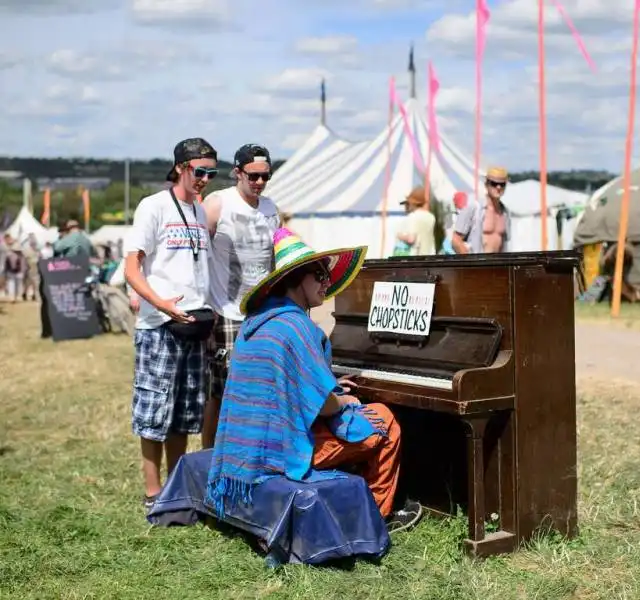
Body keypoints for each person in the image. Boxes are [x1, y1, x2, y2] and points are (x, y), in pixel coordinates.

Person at [206, 228, 423, 533]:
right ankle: (375, 517)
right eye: (320, 275)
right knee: (385, 421)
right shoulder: (297, 326)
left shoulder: (256, 322)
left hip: (245, 446)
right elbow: (323, 405)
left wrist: (329, 385)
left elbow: (288, 385)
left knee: (352, 418)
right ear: (296, 279)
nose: (327, 282)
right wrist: (343, 399)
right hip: (279, 451)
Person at [123, 137, 219, 508]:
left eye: (212, 172)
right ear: (180, 167)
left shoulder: (198, 211)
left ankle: (176, 490)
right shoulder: (154, 207)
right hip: (160, 325)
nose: (205, 179)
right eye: (200, 171)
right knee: (154, 411)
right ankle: (152, 493)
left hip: (194, 323)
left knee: (184, 411)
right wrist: (161, 304)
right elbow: (132, 268)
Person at [201, 143, 281, 448]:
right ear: (237, 172)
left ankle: (246, 452)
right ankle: (209, 456)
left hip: (262, 313)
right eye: (254, 176)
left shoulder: (272, 209)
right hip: (226, 312)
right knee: (221, 392)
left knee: (258, 389)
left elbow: (277, 258)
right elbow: (196, 250)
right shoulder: (218, 203)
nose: (260, 182)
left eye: (266, 176)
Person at [452, 167, 511, 254]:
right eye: (494, 183)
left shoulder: (505, 213)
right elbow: (456, 241)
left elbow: (504, 244)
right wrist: (471, 263)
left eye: (502, 184)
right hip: (477, 265)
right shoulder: (474, 208)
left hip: (498, 266)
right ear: (486, 184)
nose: (498, 187)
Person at [394, 187, 436, 256]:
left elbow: (411, 239)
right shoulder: (431, 217)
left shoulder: (413, 216)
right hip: (430, 255)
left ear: (412, 203)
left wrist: (399, 236)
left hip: (416, 257)